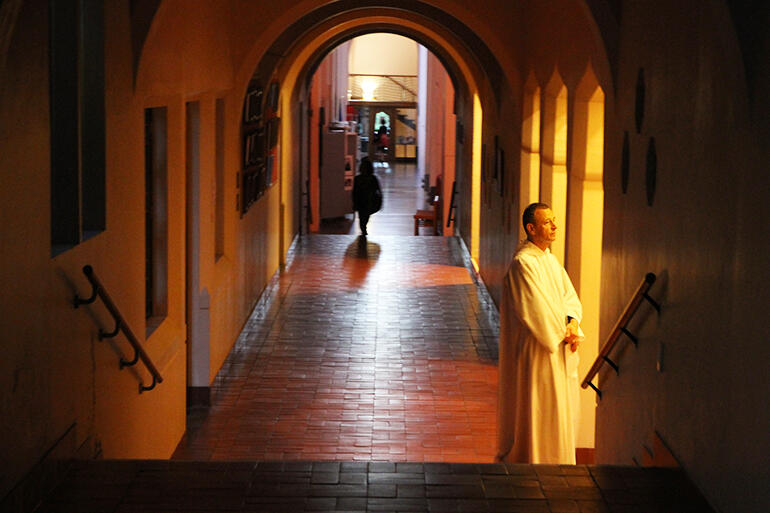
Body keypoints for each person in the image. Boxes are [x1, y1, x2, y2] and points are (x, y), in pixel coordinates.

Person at [497, 202, 584, 464]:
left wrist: (572, 323)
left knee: (560, 409)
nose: (554, 226)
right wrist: (561, 333)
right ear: (531, 228)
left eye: (554, 220)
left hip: (559, 344)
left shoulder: (550, 260)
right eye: (547, 222)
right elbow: (533, 309)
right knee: (541, 407)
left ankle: (559, 459)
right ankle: (537, 458)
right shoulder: (523, 263)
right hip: (539, 347)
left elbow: (569, 297)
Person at [352, 157, 382, 237]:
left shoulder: (357, 178)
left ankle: (363, 229)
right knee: (366, 216)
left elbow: (354, 191)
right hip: (369, 200)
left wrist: (354, 202)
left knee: (361, 216)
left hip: (360, 200)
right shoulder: (373, 178)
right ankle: (364, 229)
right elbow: (378, 190)